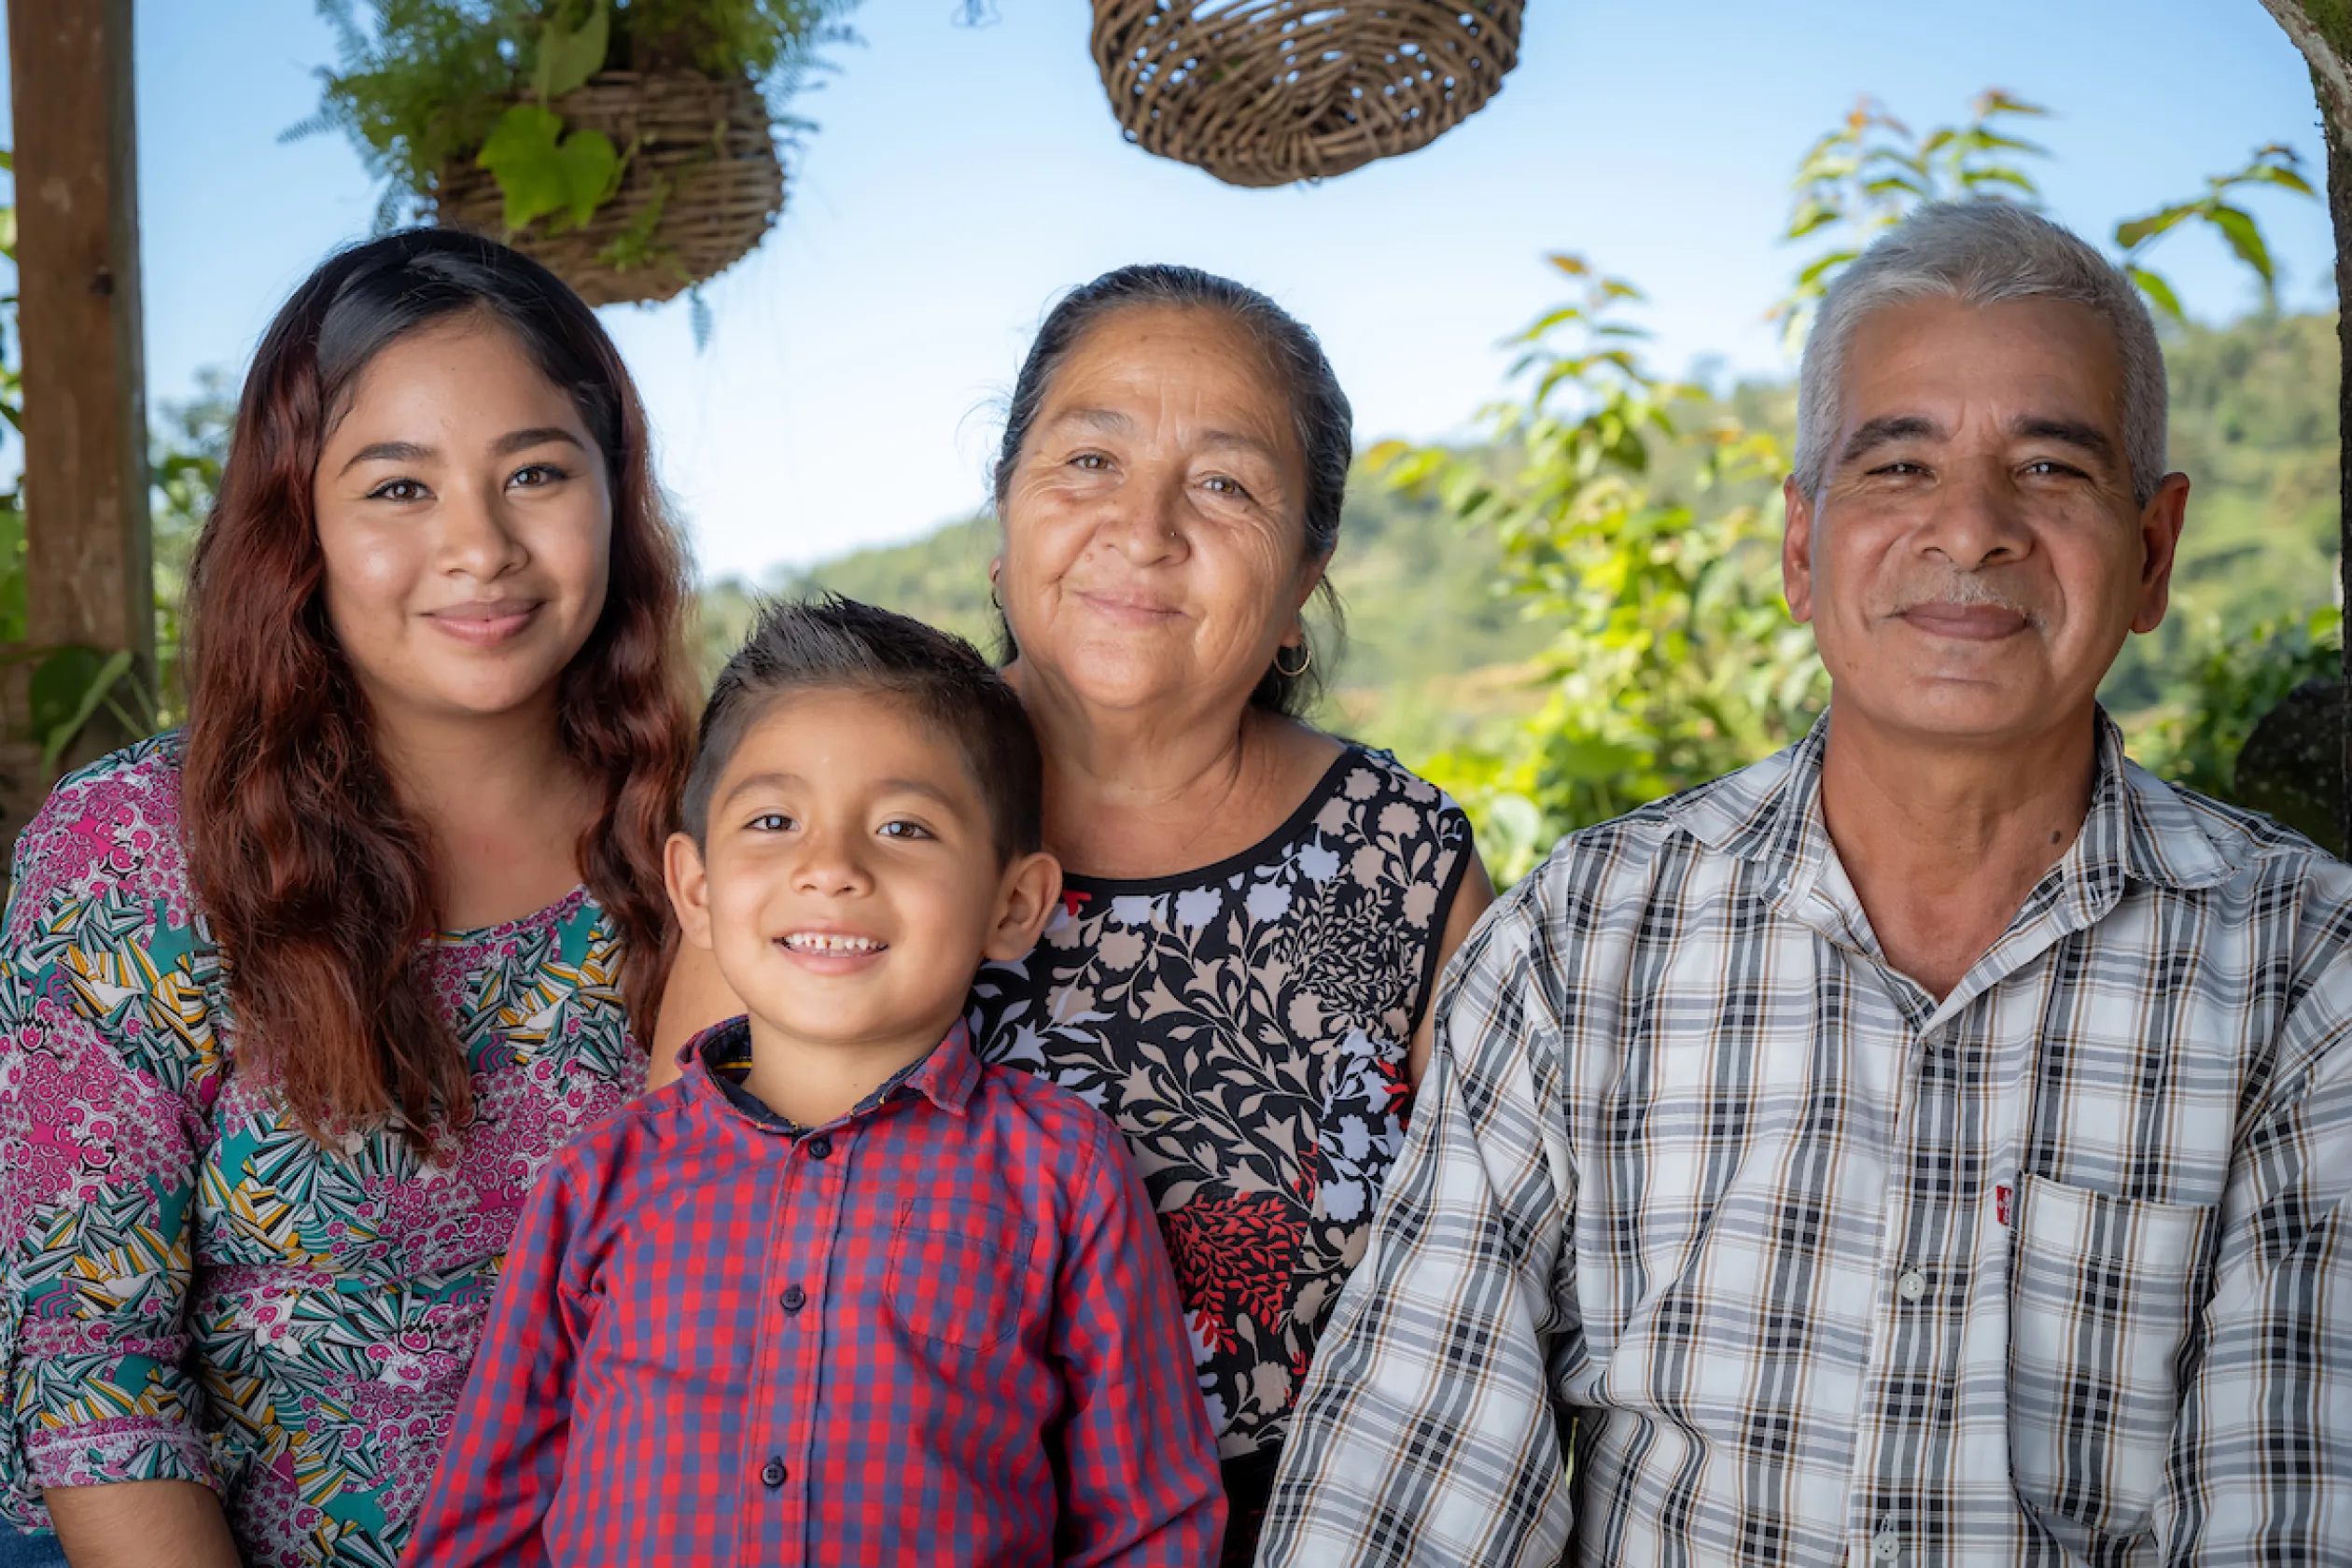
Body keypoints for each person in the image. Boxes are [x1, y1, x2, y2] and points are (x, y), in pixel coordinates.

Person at [1263, 201, 2352, 1566]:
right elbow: (1404, 1494)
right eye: (1898, 465)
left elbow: (2289, 1514)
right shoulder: (1580, 944)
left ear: (2154, 550)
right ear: (1799, 544)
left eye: (2051, 468)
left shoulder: (2308, 974)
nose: (1972, 529)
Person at [653, 266, 1493, 1563]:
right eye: (1090, 459)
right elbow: (690, 1242)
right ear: (1004, 516)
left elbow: (1484, 1304)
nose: (1143, 529)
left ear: (1304, 578)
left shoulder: (1408, 859)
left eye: (1225, 484)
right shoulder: (831, 815)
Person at [0, 231, 693, 1568]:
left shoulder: (720, 841)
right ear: (298, 524)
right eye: (398, 488)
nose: (479, 546)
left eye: (536, 473)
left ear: (614, 491)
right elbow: (94, 1372)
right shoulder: (135, 851)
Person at [413, 596, 1223, 1564]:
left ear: (1014, 904)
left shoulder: (1062, 1170)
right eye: (773, 820)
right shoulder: (598, 1180)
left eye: (905, 828)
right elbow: (484, 1526)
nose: (830, 868)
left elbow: (1149, 1524)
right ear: (697, 890)